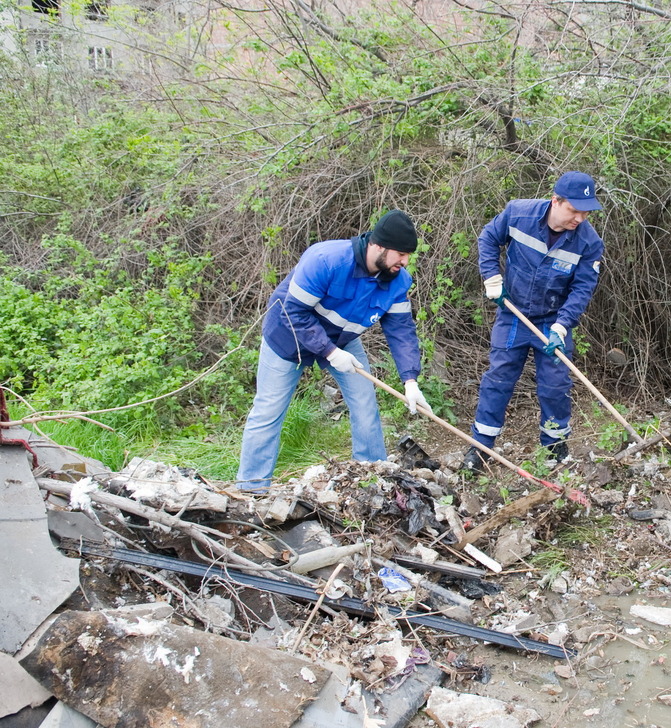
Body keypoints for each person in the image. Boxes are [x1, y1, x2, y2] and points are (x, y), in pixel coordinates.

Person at [236, 210, 433, 491]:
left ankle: (371, 480)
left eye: (407, 255)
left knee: (365, 403)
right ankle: (250, 491)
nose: (405, 261)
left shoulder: (398, 281)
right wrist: (329, 352)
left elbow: (402, 332)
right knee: (268, 412)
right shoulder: (326, 260)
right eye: (400, 254)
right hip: (288, 337)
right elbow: (293, 312)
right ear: (378, 246)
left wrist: (410, 381)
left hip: (341, 341)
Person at [462, 171, 605, 473]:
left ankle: (554, 448)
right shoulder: (518, 213)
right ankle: (481, 447)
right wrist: (491, 278)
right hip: (513, 313)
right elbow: (488, 238)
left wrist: (562, 324)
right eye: (574, 210)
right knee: (498, 380)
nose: (580, 218)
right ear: (556, 200)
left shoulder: (588, 242)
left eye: (586, 211)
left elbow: (582, 288)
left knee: (555, 385)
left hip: (553, 321)